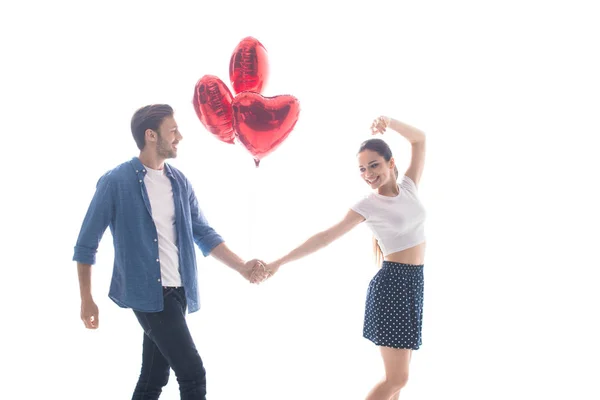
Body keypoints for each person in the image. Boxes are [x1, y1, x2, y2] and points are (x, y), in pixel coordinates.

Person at [72, 104, 268, 400]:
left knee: (153, 378)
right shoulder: (116, 182)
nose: (180, 137)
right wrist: (86, 299)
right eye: (173, 130)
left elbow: (203, 232)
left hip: (178, 291)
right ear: (151, 135)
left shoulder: (178, 181)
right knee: (192, 373)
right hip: (149, 295)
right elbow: (86, 244)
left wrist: (242, 266)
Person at [262, 116, 427, 400]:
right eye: (362, 169)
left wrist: (389, 121)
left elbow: (419, 139)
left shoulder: (409, 187)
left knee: (397, 383)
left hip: (413, 284)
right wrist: (279, 262)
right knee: (397, 377)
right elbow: (325, 236)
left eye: (374, 165)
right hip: (392, 287)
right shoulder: (368, 204)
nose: (368, 174)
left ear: (390, 162)